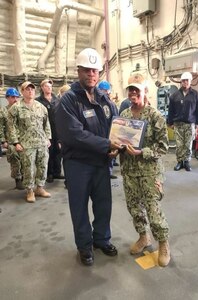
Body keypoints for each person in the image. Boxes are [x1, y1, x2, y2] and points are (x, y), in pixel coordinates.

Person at [55, 48, 122, 266]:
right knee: (80, 207)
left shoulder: (104, 99)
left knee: (104, 205)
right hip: (78, 164)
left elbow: (116, 125)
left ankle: (102, 239)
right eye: (87, 70)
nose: (91, 74)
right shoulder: (68, 101)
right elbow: (74, 135)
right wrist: (106, 144)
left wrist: (118, 145)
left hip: (101, 163)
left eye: (95, 71)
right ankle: (85, 246)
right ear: (79, 71)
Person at [119, 81, 170, 267]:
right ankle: (143, 237)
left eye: (136, 90)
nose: (133, 93)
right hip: (129, 171)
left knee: (153, 209)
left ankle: (163, 243)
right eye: (130, 90)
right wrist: (116, 148)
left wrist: (143, 152)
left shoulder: (155, 116)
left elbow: (164, 147)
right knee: (134, 208)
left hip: (149, 172)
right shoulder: (124, 115)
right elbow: (121, 140)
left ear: (144, 92)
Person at [7, 81, 51, 203]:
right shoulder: (16, 108)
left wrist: (48, 138)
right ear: (22, 92)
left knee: (43, 166)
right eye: (27, 89)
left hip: (41, 142)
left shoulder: (41, 107)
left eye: (32, 89)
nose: (30, 91)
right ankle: (30, 191)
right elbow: (11, 127)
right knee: (28, 168)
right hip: (26, 144)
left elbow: (46, 123)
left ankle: (40, 188)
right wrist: (16, 143)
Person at [167, 72, 198, 171]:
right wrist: (170, 123)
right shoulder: (174, 95)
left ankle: (186, 162)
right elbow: (171, 110)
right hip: (178, 124)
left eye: (187, 80)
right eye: (183, 80)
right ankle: (179, 162)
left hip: (190, 123)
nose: (185, 82)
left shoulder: (195, 94)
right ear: (181, 82)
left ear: (190, 81)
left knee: (188, 144)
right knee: (179, 145)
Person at [36, 79, 63, 183]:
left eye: (50, 87)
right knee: (49, 152)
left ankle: (57, 172)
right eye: (46, 86)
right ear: (42, 88)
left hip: (57, 129)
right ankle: (49, 173)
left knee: (58, 151)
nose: (49, 88)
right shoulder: (38, 101)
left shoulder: (57, 100)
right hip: (45, 129)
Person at [0, 88, 24, 189]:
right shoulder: (3, 110)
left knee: (24, 160)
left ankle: (24, 178)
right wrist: (3, 140)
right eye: (12, 97)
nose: (15, 99)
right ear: (7, 98)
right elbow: (1, 126)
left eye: (16, 97)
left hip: (22, 139)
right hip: (10, 140)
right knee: (15, 160)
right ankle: (18, 179)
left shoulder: (21, 109)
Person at [98, 80, 119, 179]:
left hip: (99, 136)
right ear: (108, 91)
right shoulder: (111, 104)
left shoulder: (94, 102)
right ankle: (108, 171)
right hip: (108, 134)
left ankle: (105, 171)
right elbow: (116, 120)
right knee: (109, 153)